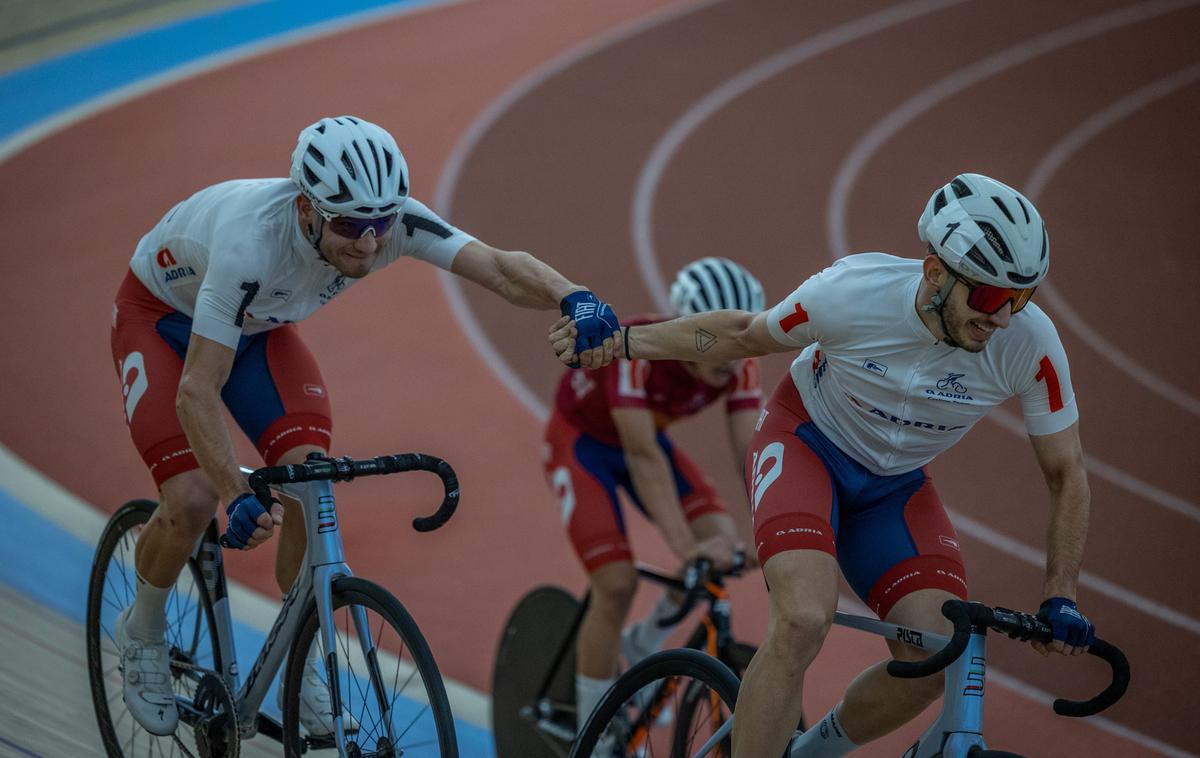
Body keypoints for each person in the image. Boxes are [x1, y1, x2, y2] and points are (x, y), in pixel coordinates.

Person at [109, 114, 621, 737]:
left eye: (381, 225)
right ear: (306, 208)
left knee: (310, 478)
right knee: (191, 497)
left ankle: (302, 660)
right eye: (351, 226)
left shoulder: (387, 219)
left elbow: (498, 267)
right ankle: (142, 629)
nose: (369, 243)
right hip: (163, 322)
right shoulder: (251, 242)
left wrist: (577, 296)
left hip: (256, 329)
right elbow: (196, 392)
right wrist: (235, 491)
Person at [550, 173, 1096, 756]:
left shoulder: (1031, 346)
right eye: (989, 297)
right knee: (805, 619)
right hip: (806, 444)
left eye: (1022, 298)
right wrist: (625, 342)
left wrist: (1060, 592)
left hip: (896, 488)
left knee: (940, 655)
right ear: (935, 272)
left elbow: (1066, 473)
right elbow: (741, 335)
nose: (1005, 319)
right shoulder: (853, 293)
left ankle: (815, 750)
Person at [543, 257, 765, 731]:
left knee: (721, 542)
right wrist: (686, 550)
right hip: (583, 444)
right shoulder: (638, 347)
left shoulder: (740, 363)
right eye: (718, 343)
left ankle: (643, 642)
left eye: (739, 340)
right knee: (617, 583)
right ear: (689, 332)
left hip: (646, 440)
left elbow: (754, 458)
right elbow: (643, 457)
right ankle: (594, 735)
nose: (731, 358)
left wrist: (775, 534)